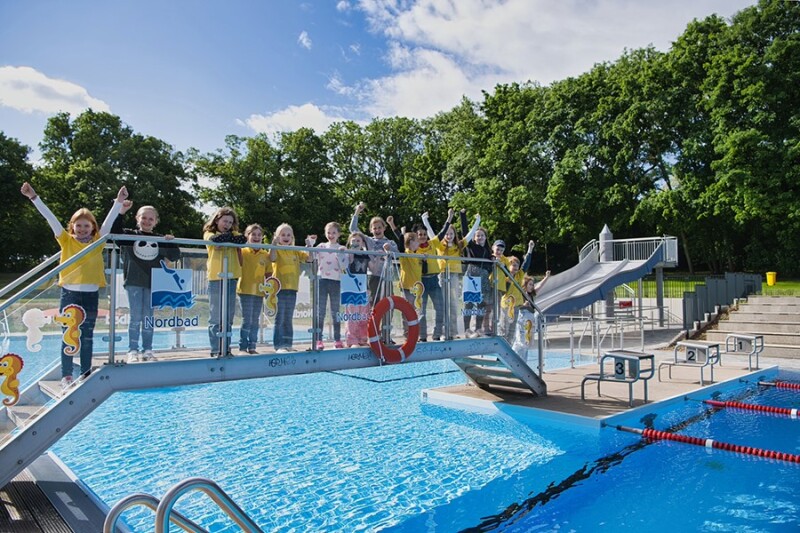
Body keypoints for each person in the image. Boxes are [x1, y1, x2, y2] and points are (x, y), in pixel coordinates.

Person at [21, 181, 127, 390]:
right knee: (68, 336)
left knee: (87, 336)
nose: (82, 229)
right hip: (69, 295)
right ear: (72, 227)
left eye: (86, 225)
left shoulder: (99, 241)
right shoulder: (66, 241)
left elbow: (109, 221)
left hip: (90, 295)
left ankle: (85, 372)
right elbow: (50, 217)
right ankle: (67, 375)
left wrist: (119, 202)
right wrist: (34, 197)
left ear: (93, 228)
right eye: (78, 225)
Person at [111, 201, 181, 363]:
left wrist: (170, 242)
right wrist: (121, 212)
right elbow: (114, 231)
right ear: (137, 218)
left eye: (151, 219)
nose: (147, 221)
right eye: (144, 218)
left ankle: (148, 350)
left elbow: (175, 256)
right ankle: (132, 350)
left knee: (148, 317)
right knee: (136, 316)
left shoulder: (159, 238)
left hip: (153, 283)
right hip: (134, 282)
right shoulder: (129, 236)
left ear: (156, 221)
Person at [203, 207, 247, 357]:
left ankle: (226, 349)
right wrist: (228, 239)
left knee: (228, 316)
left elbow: (242, 240)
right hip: (216, 278)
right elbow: (215, 241)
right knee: (216, 316)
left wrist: (228, 239)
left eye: (230, 222)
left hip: (231, 277)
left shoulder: (235, 234)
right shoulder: (209, 233)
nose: (227, 224)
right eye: (224, 221)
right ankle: (216, 349)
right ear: (217, 220)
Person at [270, 223, 315, 352]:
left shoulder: (295, 250)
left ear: (292, 237)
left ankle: (287, 344)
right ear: (277, 237)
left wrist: (309, 247)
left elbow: (309, 259)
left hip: (292, 289)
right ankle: (278, 345)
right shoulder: (276, 249)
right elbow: (272, 258)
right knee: (280, 317)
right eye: (283, 234)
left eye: (288, 235)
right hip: (279, 289)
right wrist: (273, 245)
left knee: (288, 317)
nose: (286, 237)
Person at [435, 211, 480, 339]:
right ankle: (444, 332)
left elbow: (470, 235)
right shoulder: (439, 245)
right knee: (444, 304)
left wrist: (477, 221)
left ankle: (453, 332)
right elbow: (432, 234)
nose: (449, 236)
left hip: (454, 276)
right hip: (443, 275)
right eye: (447, 233)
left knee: (454, 304)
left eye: (451, 233)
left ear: (454, 234)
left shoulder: (458, 245)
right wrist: (426, 221)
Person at [348, 202, 398, 303]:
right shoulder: (368, 240)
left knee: (388, 303)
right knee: (373, 303)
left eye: (380, 227)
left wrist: (390, 249)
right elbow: (353, 229)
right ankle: (373, 319)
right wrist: (357, 212)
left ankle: (387, 319)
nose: (377, 230)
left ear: (384, 228)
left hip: (387, 277)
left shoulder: (390, 242)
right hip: (373, 276)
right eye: (374, 228)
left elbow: (397, 255)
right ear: (371, 230)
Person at [237, 224, 271, 355]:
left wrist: (269, 290)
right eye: (253, 234)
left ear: (262, 237)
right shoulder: (243, 251)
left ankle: (252, 346)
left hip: (259, 292)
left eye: (259, 235)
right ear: (247, 236)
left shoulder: (265, 254)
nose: (256, 237)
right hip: (245, 290)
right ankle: (242, 347)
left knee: (255, 320)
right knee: (247, 320)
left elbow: (268, 275)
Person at [314, 222, 348, 350]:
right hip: (322, 280)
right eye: (328, 232)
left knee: (335, 311)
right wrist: (310, 245)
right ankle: (318, 340)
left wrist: (340, 254)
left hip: (336, 282)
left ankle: (337, 339)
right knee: (320, 311)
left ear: (338, 234)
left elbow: (344, 266)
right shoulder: (321, 246)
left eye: (334, 232)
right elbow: (311, 257)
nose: (331, 235)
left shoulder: (342, 248)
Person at [460, 209, 493, 338]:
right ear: (473, 237)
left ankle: (478, 328)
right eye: (477, 235)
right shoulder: (471, 246)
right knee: (469, 303)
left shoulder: (488, 251)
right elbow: (465, 232)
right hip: (472, 276)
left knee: (481, 304)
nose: (479, 237)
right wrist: (463, 216)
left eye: (482, 235)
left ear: (485, 237)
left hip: (484, 278)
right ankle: (467, 329)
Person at [496, 240, 535, 340]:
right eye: (513, 265)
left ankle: (508, 348)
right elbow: (504, 290)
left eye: (517, 265)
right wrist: (509, 277)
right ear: (508, 266)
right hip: (507, 306)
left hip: (516, 306)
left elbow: (526, 265)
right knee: (504, 328)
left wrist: (530, 250)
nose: (515, 267)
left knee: (512, 330)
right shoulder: (505, 276)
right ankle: (502, 348)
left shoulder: (519, 275)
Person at [344, 232, 371, 347]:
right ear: (349, 242)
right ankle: (352, 339)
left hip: (363, 285)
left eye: (358, 241)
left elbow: (373, 268)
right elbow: (347, 264)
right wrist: (350, 254)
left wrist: (379, 256)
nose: (355, 243)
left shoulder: (365, 255)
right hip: (350, 285)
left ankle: (362, 338)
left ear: (362, 243)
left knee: (364, 314)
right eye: (353, 241)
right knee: (352, 314)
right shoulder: (348, 253)